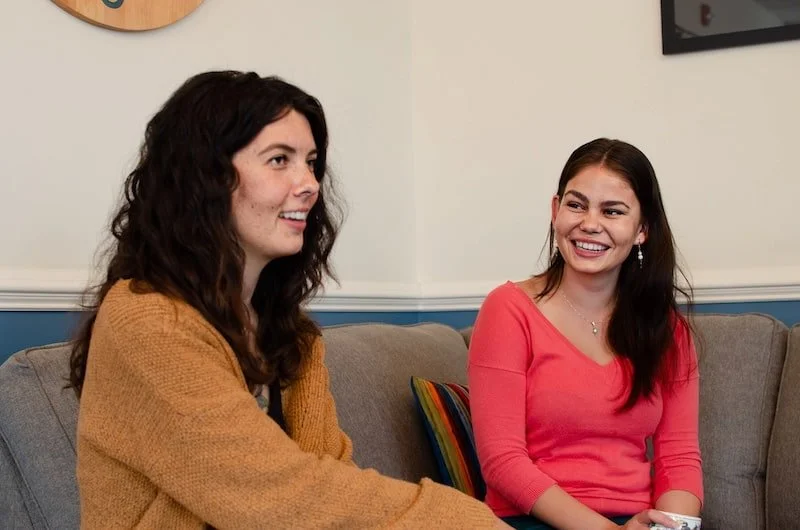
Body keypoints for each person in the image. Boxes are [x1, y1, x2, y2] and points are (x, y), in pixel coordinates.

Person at [68, 70, 504, 529]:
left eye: (311, 162)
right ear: (206, 178)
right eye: (280, 160)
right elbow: (276, 495)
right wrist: (460, 518)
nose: (310, 183)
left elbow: (330, 478)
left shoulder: (291, 336)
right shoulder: (146, 321)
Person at [467, 138, 703, 530]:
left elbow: (679, 458)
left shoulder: (667, 329)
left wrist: (670, 527)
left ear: (642, 229)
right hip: (532, 519)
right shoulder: (508, 310)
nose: (590, 223)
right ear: (556, 211)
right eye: (576, 205)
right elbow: (503, 462)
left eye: (612, 211)